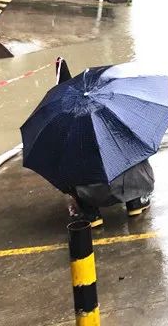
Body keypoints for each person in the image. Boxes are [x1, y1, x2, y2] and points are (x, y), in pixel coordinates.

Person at [56, 58, 155, 228]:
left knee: (64, 164)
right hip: (132, 183)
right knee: (135, 154)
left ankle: (91, 213)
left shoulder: (69, 129)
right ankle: (135, 202)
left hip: (94, 193)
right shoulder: (120, 115)